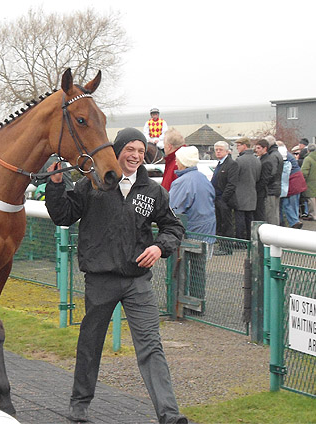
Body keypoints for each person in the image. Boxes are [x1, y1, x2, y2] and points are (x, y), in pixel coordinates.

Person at [45, 128, 186, 424]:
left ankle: (170, 416)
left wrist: (160, 248)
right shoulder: (91, 184)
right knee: (91, 342)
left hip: (138, 282)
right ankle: (79, 402)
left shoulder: (153, 191)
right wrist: (56, 184)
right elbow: (63, 216)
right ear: (117, 150)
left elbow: (174, 228)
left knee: (151, 346)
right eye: (129, 149)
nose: (135, 155)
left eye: (140, 150)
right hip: (100, 279)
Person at [169, 146, 215, 312]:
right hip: (207, 231)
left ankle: (184, 304)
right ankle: (197, 304)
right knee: (198, 270)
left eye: (177, 159)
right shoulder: (203, 178)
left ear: (182, 162)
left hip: (191, 232)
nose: (175, 162)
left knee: (184, 270)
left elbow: (173, 209)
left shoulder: (182, 182)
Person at [211, 141, 239, 253]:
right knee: (220, 222)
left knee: (226, 223)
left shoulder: (231, 164)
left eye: (220, 150)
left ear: (227, 151)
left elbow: (231, 183)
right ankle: (221, 245)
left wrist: (223, 199)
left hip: (225, 200)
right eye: (216, 150)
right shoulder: (219, 164)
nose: (218, 152)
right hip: (217, 198)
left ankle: (227, 248)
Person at [234, 137, 261, 239]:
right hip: (252, 194)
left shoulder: (239, 160)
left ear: (244, 145)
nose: (237, 148)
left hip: (240, 195)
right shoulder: (257, 160)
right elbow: (258, 177)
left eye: (238, 145)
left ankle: (240, 241)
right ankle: (251, 240)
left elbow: (235, 178)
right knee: (250, 219)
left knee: (240, 220)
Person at [277, 141, 306, 229]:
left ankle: (294, 222)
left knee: (287, 204)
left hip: (292, 183)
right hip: (297, 182)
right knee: (293, 204)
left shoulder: (284, 156)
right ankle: (295, 222)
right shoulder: (288, 155)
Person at [263, 136, 284, 225]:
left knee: (271, 213)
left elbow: (272, 172)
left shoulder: (272, 156)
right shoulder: (277, 154)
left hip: (271, 188)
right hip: (277, 187)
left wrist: (265, 182)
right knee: (275, 212)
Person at [301, 144, 316, 221]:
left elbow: (304, 172)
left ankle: (313, 215)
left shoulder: (308, 159)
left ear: (308, 150)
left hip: (310, 182)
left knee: (311, 199)